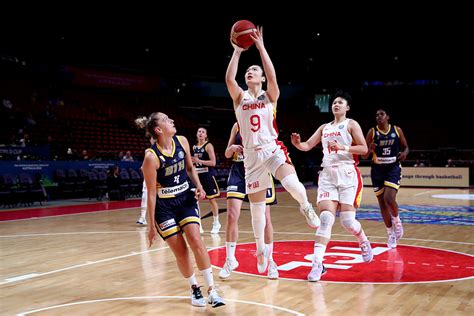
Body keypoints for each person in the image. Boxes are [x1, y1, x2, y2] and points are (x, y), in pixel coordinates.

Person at [225, 25, 320, 274]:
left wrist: (261, 47)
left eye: (254, 70)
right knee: (257, 212)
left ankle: (306, 207)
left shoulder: (270, 96)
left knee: (292, 185)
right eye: (248, 70)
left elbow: (273, 77)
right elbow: (228, 79)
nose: (250, 72)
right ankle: (261, 252)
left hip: (271, 148)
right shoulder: (240, 98)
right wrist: (237, 52)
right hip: (251, 157)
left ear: (262, 78)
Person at [135, 112, 225, 308]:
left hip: (185, 199)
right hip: (164, 208)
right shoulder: (151, 157)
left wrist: (199, 186)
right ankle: (194, 288)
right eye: (167, 120)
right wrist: (151, 227)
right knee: (182, 253)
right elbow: (151, 194)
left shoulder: (182, 141)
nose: (173, 120)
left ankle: (212, 290)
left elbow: (191, 169)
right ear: (159, 130)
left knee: (196, 241)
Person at [291, 90, 373, 282]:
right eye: (334, 102)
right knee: (326, 219)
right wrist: (297, 144)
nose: (336, 104)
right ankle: (317, 264)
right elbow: (307, 146)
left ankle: (363, 240)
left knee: (347, 222)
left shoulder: (351, 124)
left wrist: (343, 147)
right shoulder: (324, 127)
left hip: (347, 173)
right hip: (328, 174)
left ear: (347, 107)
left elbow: (364, 149)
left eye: (340, 102)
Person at [219, 122, 279, 280]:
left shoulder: (264, 120)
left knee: (266, 218)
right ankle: (230, 259)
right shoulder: (236, 125)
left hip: (260, 170)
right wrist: (231, 149)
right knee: (231, 216)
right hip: (238, 171)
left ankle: (270, 260)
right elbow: (226, 154)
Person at [362, 108, 408, 248]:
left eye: (381, 114)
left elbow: (406, 147)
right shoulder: (372, 132)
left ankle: (397, 222)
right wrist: (369, 150)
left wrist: (405, 153)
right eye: (376, 115)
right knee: (382, 203)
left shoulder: (397, 130)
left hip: (393, 168)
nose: (378, 117)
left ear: (388, 116)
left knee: (389, 198)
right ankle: (390, 234)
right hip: (377, 169)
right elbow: (363, 155)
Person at [192, 127, 221, 234]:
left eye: (203, 132)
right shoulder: (194, 147)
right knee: (196, 200)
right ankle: (198, 224)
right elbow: (194, 163)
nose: (200, 133)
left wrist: (199, 160)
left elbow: (213, 163)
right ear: (196, 134)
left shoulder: (208, 146)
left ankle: (216, 223)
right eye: (199, 131)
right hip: (198, 176)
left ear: (206, 135)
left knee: (211, 200)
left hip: (208, 175)